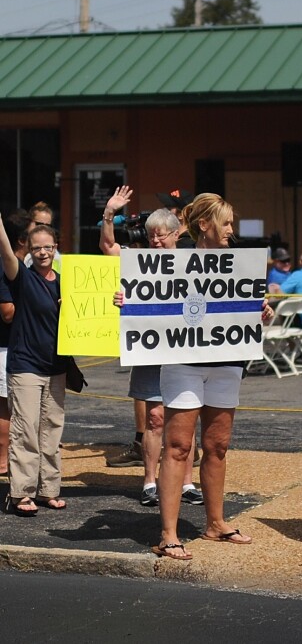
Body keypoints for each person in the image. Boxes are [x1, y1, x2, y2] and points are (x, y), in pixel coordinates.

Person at [151, 193, 273, 559]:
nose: (231, 231)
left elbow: (243, 307)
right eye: (226, 223)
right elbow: (151, 297)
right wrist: (130, 302)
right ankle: (169, 534)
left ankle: (215, 523)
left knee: (217, 446)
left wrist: (260, 311)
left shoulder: (239, 266)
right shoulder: (173, 262)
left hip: (226, 360)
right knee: (178, 447)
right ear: (204, 225)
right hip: (183, 362)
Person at [101, 186, 203, 507]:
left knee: (186, 418)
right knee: (155, 419)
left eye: (162, 236)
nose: (157, 241)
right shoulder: (139, 261)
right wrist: (109, 213)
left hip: (185, 350)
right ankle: (149, 482)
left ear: (176, 235)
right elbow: (108, 247)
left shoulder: (195, 260)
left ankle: (186, 484)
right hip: (149, 349)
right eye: (152, 236)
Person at [0, 216, 69, 514]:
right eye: (36, 247)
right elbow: (5, 252)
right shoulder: (23, 278)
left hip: (56, 367)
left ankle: (48, 490)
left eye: (47, 247)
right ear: (27, 249)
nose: (42, 252)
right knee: (26, 430)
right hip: (25, 365)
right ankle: (20, 494)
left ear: (56, 248)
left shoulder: (67, 284)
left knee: (51, 430)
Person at [0, 211, 33, 477]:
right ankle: (2, 460)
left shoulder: (27, 266)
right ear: (22, 239)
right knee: (4, 406)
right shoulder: (4, 266)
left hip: (20, 347)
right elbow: (8, 312)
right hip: (4, 347)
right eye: (34, 231)